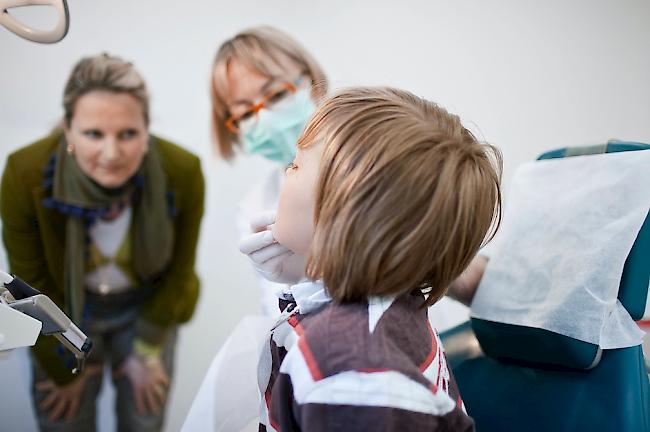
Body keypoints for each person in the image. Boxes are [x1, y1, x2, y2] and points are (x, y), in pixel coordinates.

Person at [254, 87, 502, 431]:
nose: (285, 174)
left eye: (295, 165)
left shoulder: (346, 374)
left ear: (347, 217)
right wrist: (309, 273)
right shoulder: (395, 307)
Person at [0, 53, 204, 431]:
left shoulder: (182, 170)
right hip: (61, 307)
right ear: (68, 131)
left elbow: (178, 272)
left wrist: (147, 353)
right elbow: (31, 289)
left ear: (147, 131)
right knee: (63, 419)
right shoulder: (23, 172)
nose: (112, 154)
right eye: (94, 134)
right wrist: (64, 372)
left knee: (144, 418)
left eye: (128, 134)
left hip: (147, 307)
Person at [210, 26, 328, 316]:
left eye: (275, 95)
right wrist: (296, 279)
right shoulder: (255, 207)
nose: (265, 118)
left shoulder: (378, 155)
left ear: (312, 81)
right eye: (246, 113)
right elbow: (280, 317)